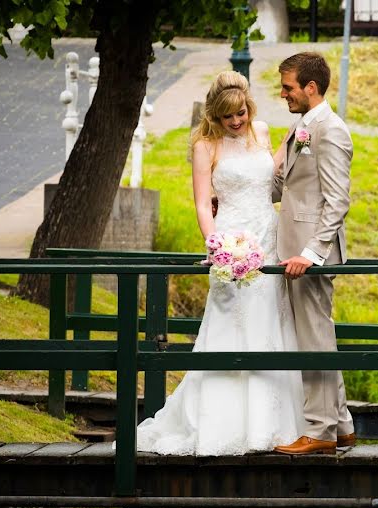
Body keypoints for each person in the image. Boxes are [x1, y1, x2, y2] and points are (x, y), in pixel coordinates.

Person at [134, 71, 304, 455]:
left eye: (241, 113)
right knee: (230, 325)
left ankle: (271, 424)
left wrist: (294, 142)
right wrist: (217, 247)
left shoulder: (260, 131)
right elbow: (201, 202)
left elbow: (270, 175)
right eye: (228, 116)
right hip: (231, 240)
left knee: (269, 326)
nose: (237, 121)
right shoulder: (205, 146)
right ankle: (220, 420)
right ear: (215, 114)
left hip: (268, 237)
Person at [271, 53, 356, 456]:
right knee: (319, 335)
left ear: (311, 88)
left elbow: (337, 202)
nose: (283, 93)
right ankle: (341, 426)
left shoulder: (330, 130)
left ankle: (320, 431)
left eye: (288, 87)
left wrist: (311, 252)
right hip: (296, 251)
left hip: (309, 256)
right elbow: (288, 185)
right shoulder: (303, 126)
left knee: (314, 340)